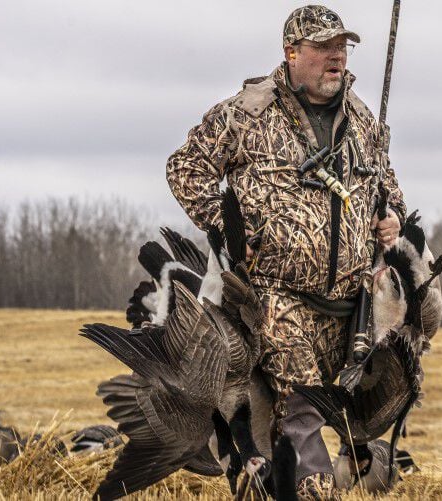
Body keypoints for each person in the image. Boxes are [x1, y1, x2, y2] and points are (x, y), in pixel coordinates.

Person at [166, 5, 405, 498]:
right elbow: (185, 169)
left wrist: (392, 219)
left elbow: (390, 191)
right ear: (292, 53)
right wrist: (227, 228)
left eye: (343, 47)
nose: (336, 57)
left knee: (313, 418)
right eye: (324, 48)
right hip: (277, 298)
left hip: (348, 307)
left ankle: (257, 480)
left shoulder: (363, 119)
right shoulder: (246, 114)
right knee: (301, 423)